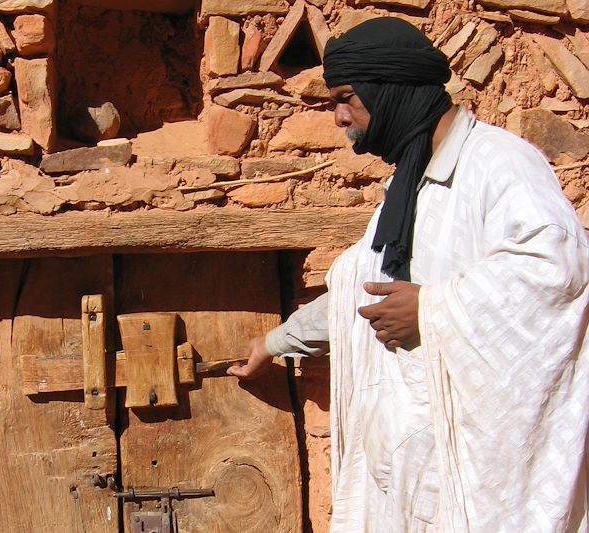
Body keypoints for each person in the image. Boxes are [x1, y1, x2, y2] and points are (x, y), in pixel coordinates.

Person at [228, 17, 589, 532]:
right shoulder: (406, 189)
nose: (338, 117)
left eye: (346, 97)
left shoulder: (497, 163)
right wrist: (276, 342)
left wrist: (433, 308)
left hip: (469, 479)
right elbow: (363, 293)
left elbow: (560, 271)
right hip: (409, 477)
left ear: (388, 88)